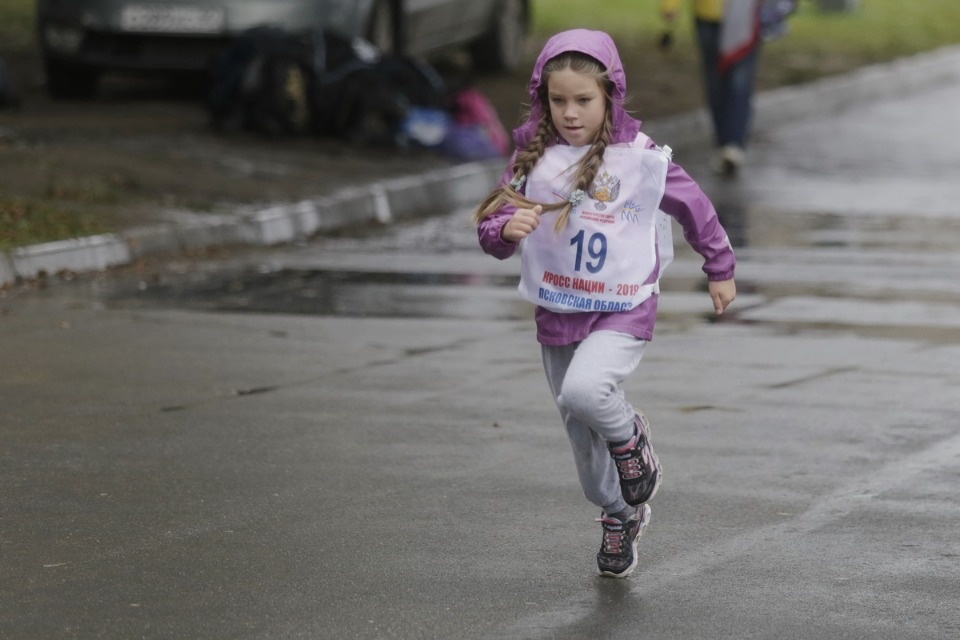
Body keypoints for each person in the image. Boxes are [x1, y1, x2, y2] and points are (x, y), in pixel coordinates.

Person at [472, 29, 736, 579]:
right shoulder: (531, 160)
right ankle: (621, 513)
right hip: (558, 313)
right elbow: (491, 228)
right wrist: (506, 228)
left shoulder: (637, 159)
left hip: (623, 307)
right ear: (543, 97)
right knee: (585, 452)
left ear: (610, 95)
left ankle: (632, 435)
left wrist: (719, 266)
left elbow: (694, 206)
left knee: (588, 392)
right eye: (558, 99)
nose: (570, 112)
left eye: (583, 100)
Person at [660, 0, 765, 176]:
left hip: (746, 15)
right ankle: (724, 143)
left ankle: (734, 144)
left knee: (740, 82)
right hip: (708, 15)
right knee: (715, 83)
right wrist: (670, 5)